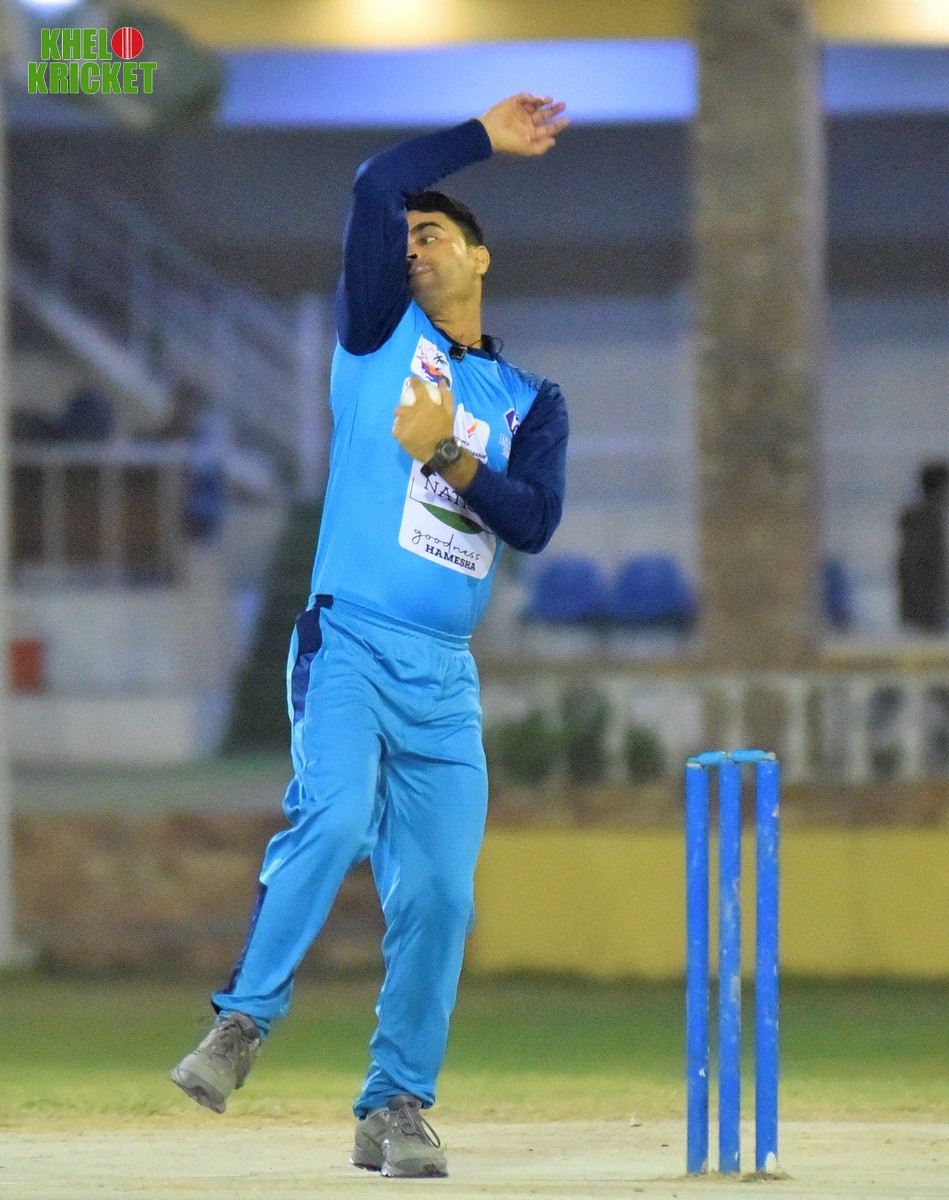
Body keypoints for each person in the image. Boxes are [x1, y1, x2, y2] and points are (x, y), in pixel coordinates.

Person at [170, 93, 570, 1178]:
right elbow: (373, 184)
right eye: (404, 239)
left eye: (432, 234)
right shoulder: (376, 333)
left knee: (440, 894)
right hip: (349, 641)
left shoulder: (530, 399)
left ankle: (394, 1105)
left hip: (444, 680)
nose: (411, 246)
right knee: (336, 814)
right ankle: (242, 1021)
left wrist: (448, 454)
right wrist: (481, 139)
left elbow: (533, 521)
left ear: (479, 256)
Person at [897, 461, 949, 634]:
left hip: (925, 615)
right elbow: (919, 568)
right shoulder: (930, 519)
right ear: (942, 487)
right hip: (928, 617)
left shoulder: (926, 517)